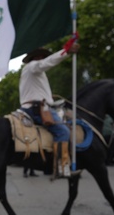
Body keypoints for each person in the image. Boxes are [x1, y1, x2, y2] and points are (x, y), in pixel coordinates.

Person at [19, 43, 79, 177]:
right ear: (35, 57)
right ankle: (62, 168)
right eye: (40, 56)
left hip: (37, 106)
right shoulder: (33, 66)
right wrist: (66, 52)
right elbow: (44, 64)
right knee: (63, 131)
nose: (42, 58)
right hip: (38, 109)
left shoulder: (32, 72)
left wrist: (48, 97)